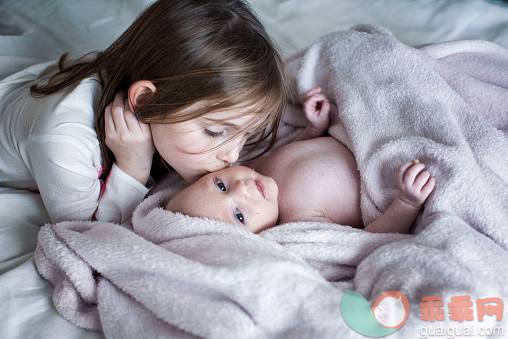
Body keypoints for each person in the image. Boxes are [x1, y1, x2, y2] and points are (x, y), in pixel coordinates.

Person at [0, 0, 285, 224]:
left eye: (247, 133)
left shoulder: (153, 88)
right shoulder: (63, 141)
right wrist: (133, 166)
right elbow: (84, 230)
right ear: (145, 100)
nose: (233, 156)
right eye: (215, 131)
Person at [166, 88, 436, 234]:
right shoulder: (300, 223)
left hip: (359, 134)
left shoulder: (257, 167)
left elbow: (294, 151)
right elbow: (365, 240)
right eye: (239, 215)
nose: (242, 189)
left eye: (221, 186)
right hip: (386, 174)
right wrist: (406, 203)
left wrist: (314, 128)